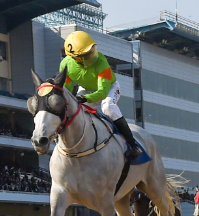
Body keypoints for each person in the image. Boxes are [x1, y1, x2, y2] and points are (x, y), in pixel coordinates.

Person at [60, 30, 140, 159]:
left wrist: (84, 98)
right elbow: (67, 89)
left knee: (108, 107)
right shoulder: (65, 65)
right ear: (76, 58)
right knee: (75, 110)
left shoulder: (101, 62)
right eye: (87, 54)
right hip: (86, 89)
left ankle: (132, 144)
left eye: (92, 50)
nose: (93, 55)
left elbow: (102, 92)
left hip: (109, 88)